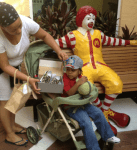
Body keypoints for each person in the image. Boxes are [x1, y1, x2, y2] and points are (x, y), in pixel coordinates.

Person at [0, 2, 68, 146]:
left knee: (14, 98)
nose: (19, 31)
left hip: (14, 66)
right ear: (1, 26)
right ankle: (10, 134)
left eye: (19, 26)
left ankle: (12, 126)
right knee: (5, 101)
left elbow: (44, 35)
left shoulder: (25, 22)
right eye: (13, 29)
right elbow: (5, 66)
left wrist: (59, 50)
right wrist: (28, 79)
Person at [55, 5, 137, 135]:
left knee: (116, 83)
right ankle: (105, 114)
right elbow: (55, 43)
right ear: (81, 19)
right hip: (84, 69)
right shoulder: (72, 36)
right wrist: (43, 44)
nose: (91, 20)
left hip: (101, 66)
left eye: (93, 17)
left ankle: (105, 111)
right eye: (88, 18)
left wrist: (130, 43)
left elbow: (113, 41)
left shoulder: (99, 34)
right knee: (86, 89)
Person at [62, 55, 120, 150]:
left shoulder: (81, 77)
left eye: (73, 70)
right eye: (68, 69)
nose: (69, 72)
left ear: (80, 71)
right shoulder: (65, 78)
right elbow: (69, 93)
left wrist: (87, 90)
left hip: (83, 103)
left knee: (98, 112)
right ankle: (93, 148)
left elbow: (85, 90)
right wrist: (78, 83)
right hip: (71, 106)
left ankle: (108, 136)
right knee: (86, 122)